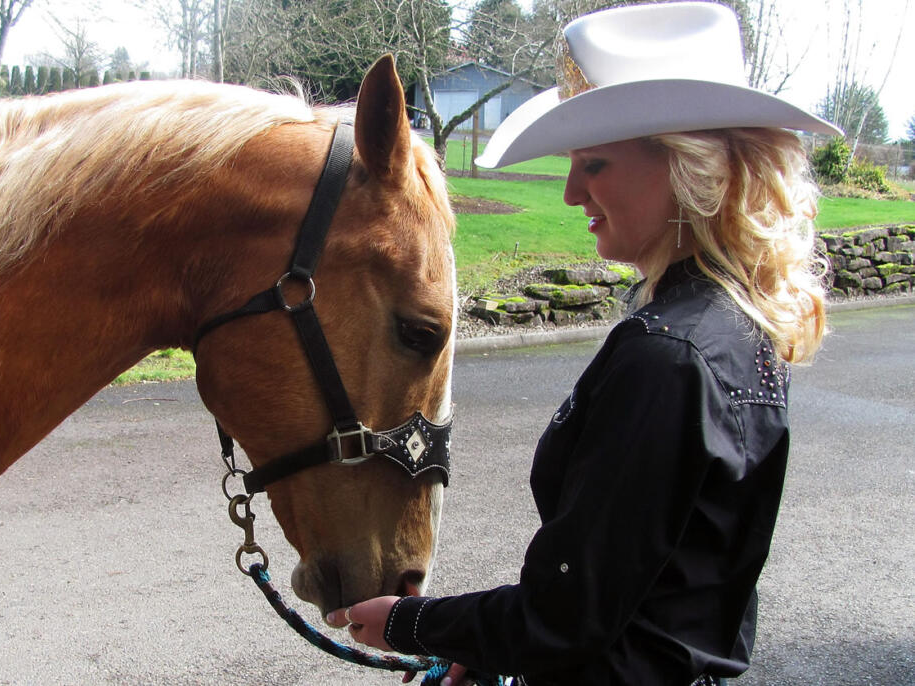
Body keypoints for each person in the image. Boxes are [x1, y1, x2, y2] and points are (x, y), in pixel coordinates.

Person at [325, 3, 842, 685]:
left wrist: (407, 623)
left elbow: (561, 618)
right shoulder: (732, 329)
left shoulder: (668, 353)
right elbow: (650, 597)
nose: (572, 192)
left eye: (594, 164)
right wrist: (488, 647)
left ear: (690, 167)